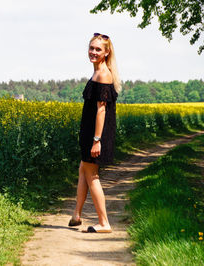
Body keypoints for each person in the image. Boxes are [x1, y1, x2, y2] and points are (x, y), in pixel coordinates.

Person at [68, 33, 121, 233]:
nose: (93, 52)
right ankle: (77, 215)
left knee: (92, 175)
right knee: (84, 168)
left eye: (98, 49)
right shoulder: (97, 72)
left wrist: (96, 140)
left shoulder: (103, 74)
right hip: (90, 131)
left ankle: (104, 222)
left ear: (107, 52)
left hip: (96, 134)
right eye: (91, 48)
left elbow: (101, 110)